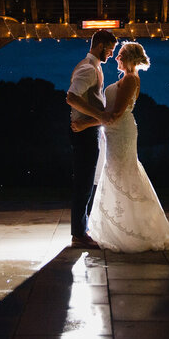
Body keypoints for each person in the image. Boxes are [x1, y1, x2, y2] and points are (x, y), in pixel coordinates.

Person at [73, 41, 169, 253]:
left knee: (122, 174)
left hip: (121, 132)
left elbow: (116, 114)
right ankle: (119, 227)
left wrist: (86, 123)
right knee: (117, 174)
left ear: (129, 58)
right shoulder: (126, 79)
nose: (116, 58)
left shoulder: (130, 80)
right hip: (113, 132)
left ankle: (133, 230)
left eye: (120, 55)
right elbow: (110, 113)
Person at [65, 29, 118, 248]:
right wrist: (100, 116)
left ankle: (82, 230)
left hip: (89, 130)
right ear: (100, 46)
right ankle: (79, 234)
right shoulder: (88, 69)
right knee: (84, 183)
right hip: (84, 132)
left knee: (87, 181)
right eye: (110, 50)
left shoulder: (93, 67)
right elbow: (71, 97)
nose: (112, 55)